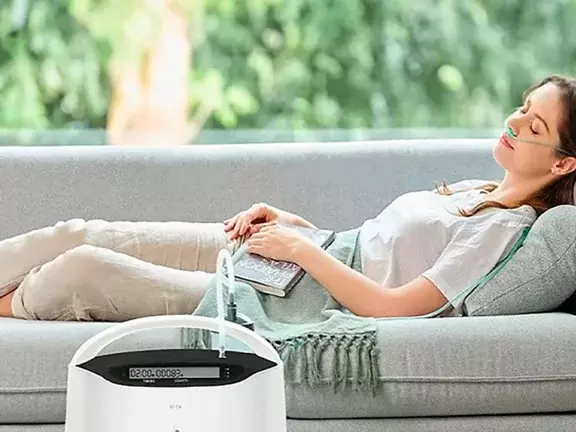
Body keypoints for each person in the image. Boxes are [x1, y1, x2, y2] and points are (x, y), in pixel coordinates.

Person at [1, 74, 576, 321]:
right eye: (522, 106)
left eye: (534, 124)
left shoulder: (504, 228)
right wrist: (293, 226)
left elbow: (402, 307)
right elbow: (367, 244)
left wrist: (303, 255)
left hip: (292, 298)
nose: (514, 121)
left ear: (562, 162)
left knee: (83, 269)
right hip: (300, 254)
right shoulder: (475, 191)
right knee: (79, 232)